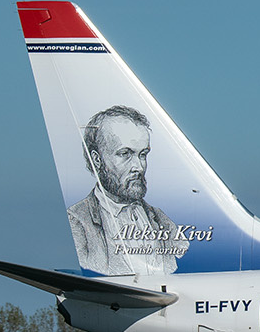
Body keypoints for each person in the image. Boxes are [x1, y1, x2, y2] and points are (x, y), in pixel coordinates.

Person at [66, 105, 188, 275]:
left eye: (143, 154)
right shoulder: (77, 220)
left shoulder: (160, 219)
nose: (138, 167)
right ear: (97, 159)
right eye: (125, 154)